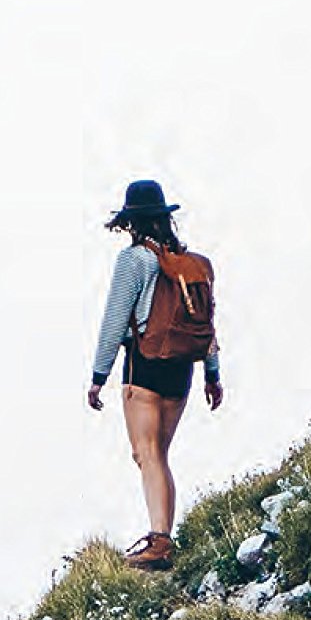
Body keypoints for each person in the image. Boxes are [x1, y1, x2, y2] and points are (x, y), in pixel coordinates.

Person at [88, 179, 223, 571]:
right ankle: (160, 536)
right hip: (182, 370)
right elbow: (209, 325)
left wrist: (99, 375)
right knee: (157, 455)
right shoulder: (194, 265)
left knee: (147, 454)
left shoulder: (134, 260)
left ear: (131, 222)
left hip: (144, 363)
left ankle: (159, 541)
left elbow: (115, 319)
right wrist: (212, 375)